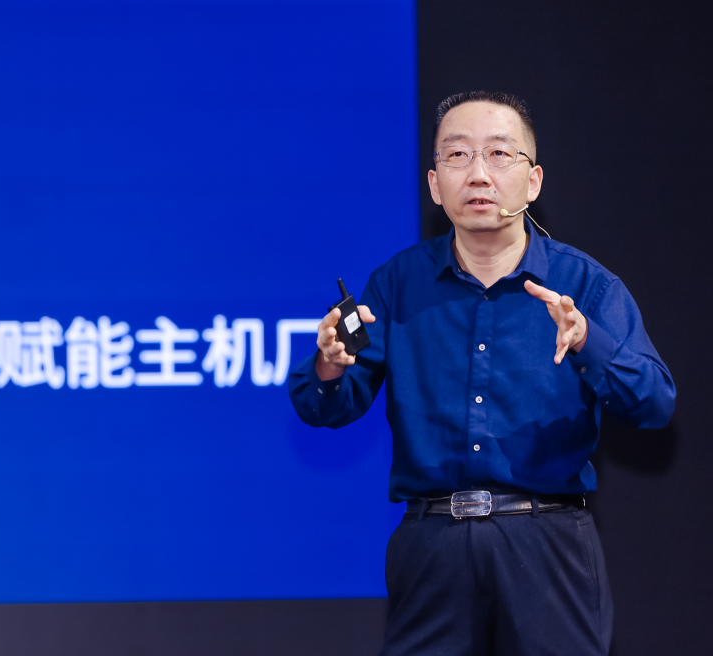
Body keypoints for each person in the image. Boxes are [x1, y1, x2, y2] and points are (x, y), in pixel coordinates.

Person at [288, 92, 675, 656]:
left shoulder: (585, 286)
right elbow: (325, 406)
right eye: (457, 155)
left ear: (533, 180)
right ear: (434, 184)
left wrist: (587, 341)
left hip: (549, 543)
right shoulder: (396, 284)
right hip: (433, 547)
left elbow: (655, 403)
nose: (478, 174)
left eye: (499, 154)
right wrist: (328, 364)